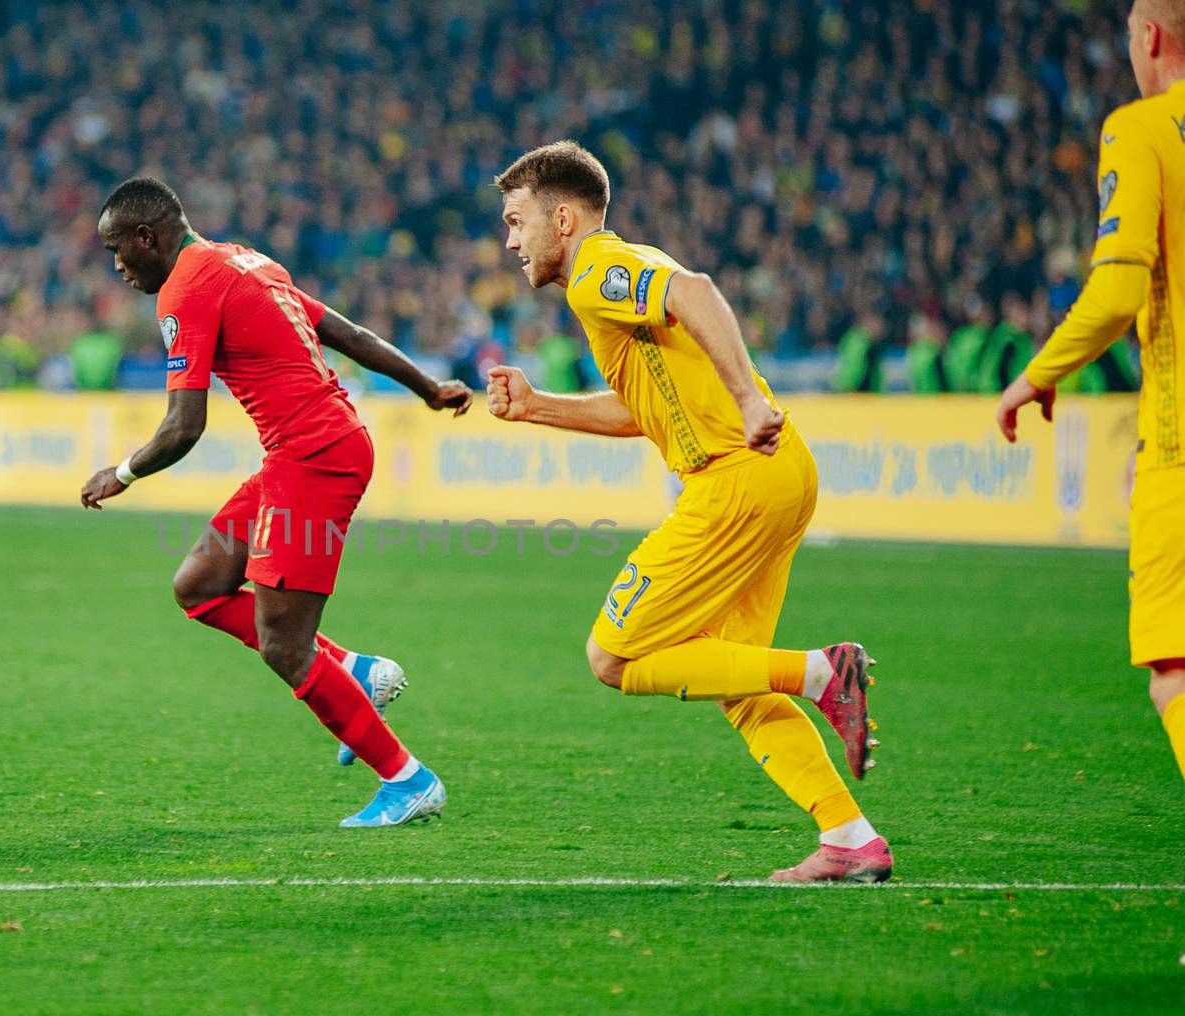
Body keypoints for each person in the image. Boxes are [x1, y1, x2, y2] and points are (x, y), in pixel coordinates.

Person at [486, 142, 891, 882]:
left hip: (734, 478)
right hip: (779, 472)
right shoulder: (611, 280)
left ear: (564, 218)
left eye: (517, 221)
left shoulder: (598, 272)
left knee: (611, 655)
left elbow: (696, 290)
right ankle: (850, 838)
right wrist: (539, 406)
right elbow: (646, 409)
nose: (511, 241)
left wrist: (745, 399)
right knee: (736, 681)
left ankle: (821, 673)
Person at [80, 177, 473, 826]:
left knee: (284, 646)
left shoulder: (187, 288)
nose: (118, 266)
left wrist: (121, 471)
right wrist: (426, 387)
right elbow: (348, 333)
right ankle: (357, 671)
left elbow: (185, 426)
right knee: (200, 585)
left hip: (314, 458)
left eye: (118, 250)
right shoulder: (245, 258)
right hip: (307, 450)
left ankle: (407, 778)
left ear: (148, 238)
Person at [996, 0, 1185, 783]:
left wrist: (1037, 373)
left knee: (1176, 665)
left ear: (1149, 36)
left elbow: (1115, 292)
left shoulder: (1141, 129)